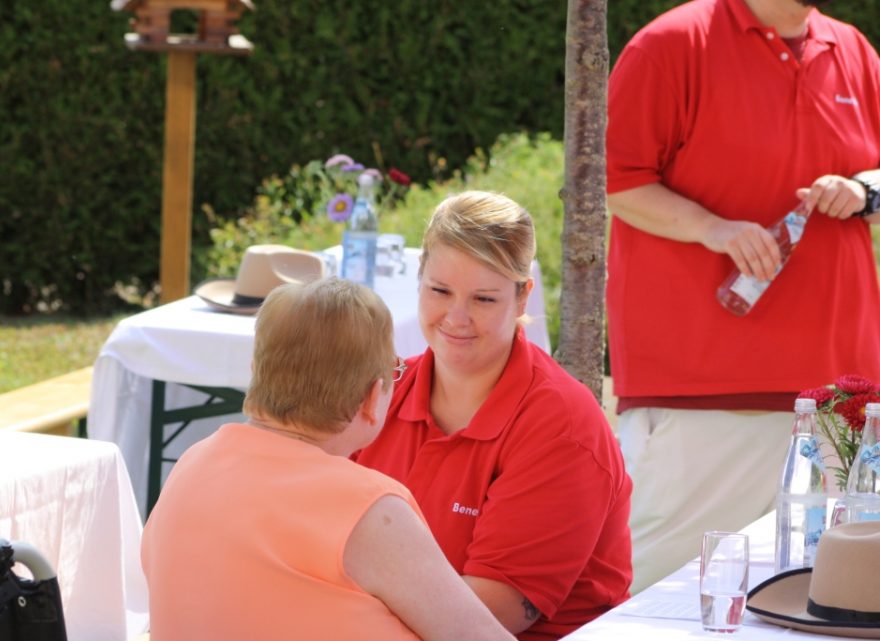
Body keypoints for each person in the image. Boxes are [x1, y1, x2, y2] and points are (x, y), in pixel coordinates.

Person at [606, 0, 880, 592]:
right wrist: (713, 228)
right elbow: (617, 181)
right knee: (669, 599)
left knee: (828, 603)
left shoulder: (854, 50)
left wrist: (863, 189)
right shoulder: (673, 43)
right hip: (702, 388)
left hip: (842, 396)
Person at [141, 278, 514, 641]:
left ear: (256, 373)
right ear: (372, 399)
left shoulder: (192, 463)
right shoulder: (366, 508)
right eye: (394, 373)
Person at [353, 191, 633, 640]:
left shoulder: (561, 426)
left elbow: (482, 621)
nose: (456, 318)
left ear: (523, 297)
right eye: (440, 291)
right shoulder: (381, 389)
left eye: (484, 299)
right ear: (419, 279)